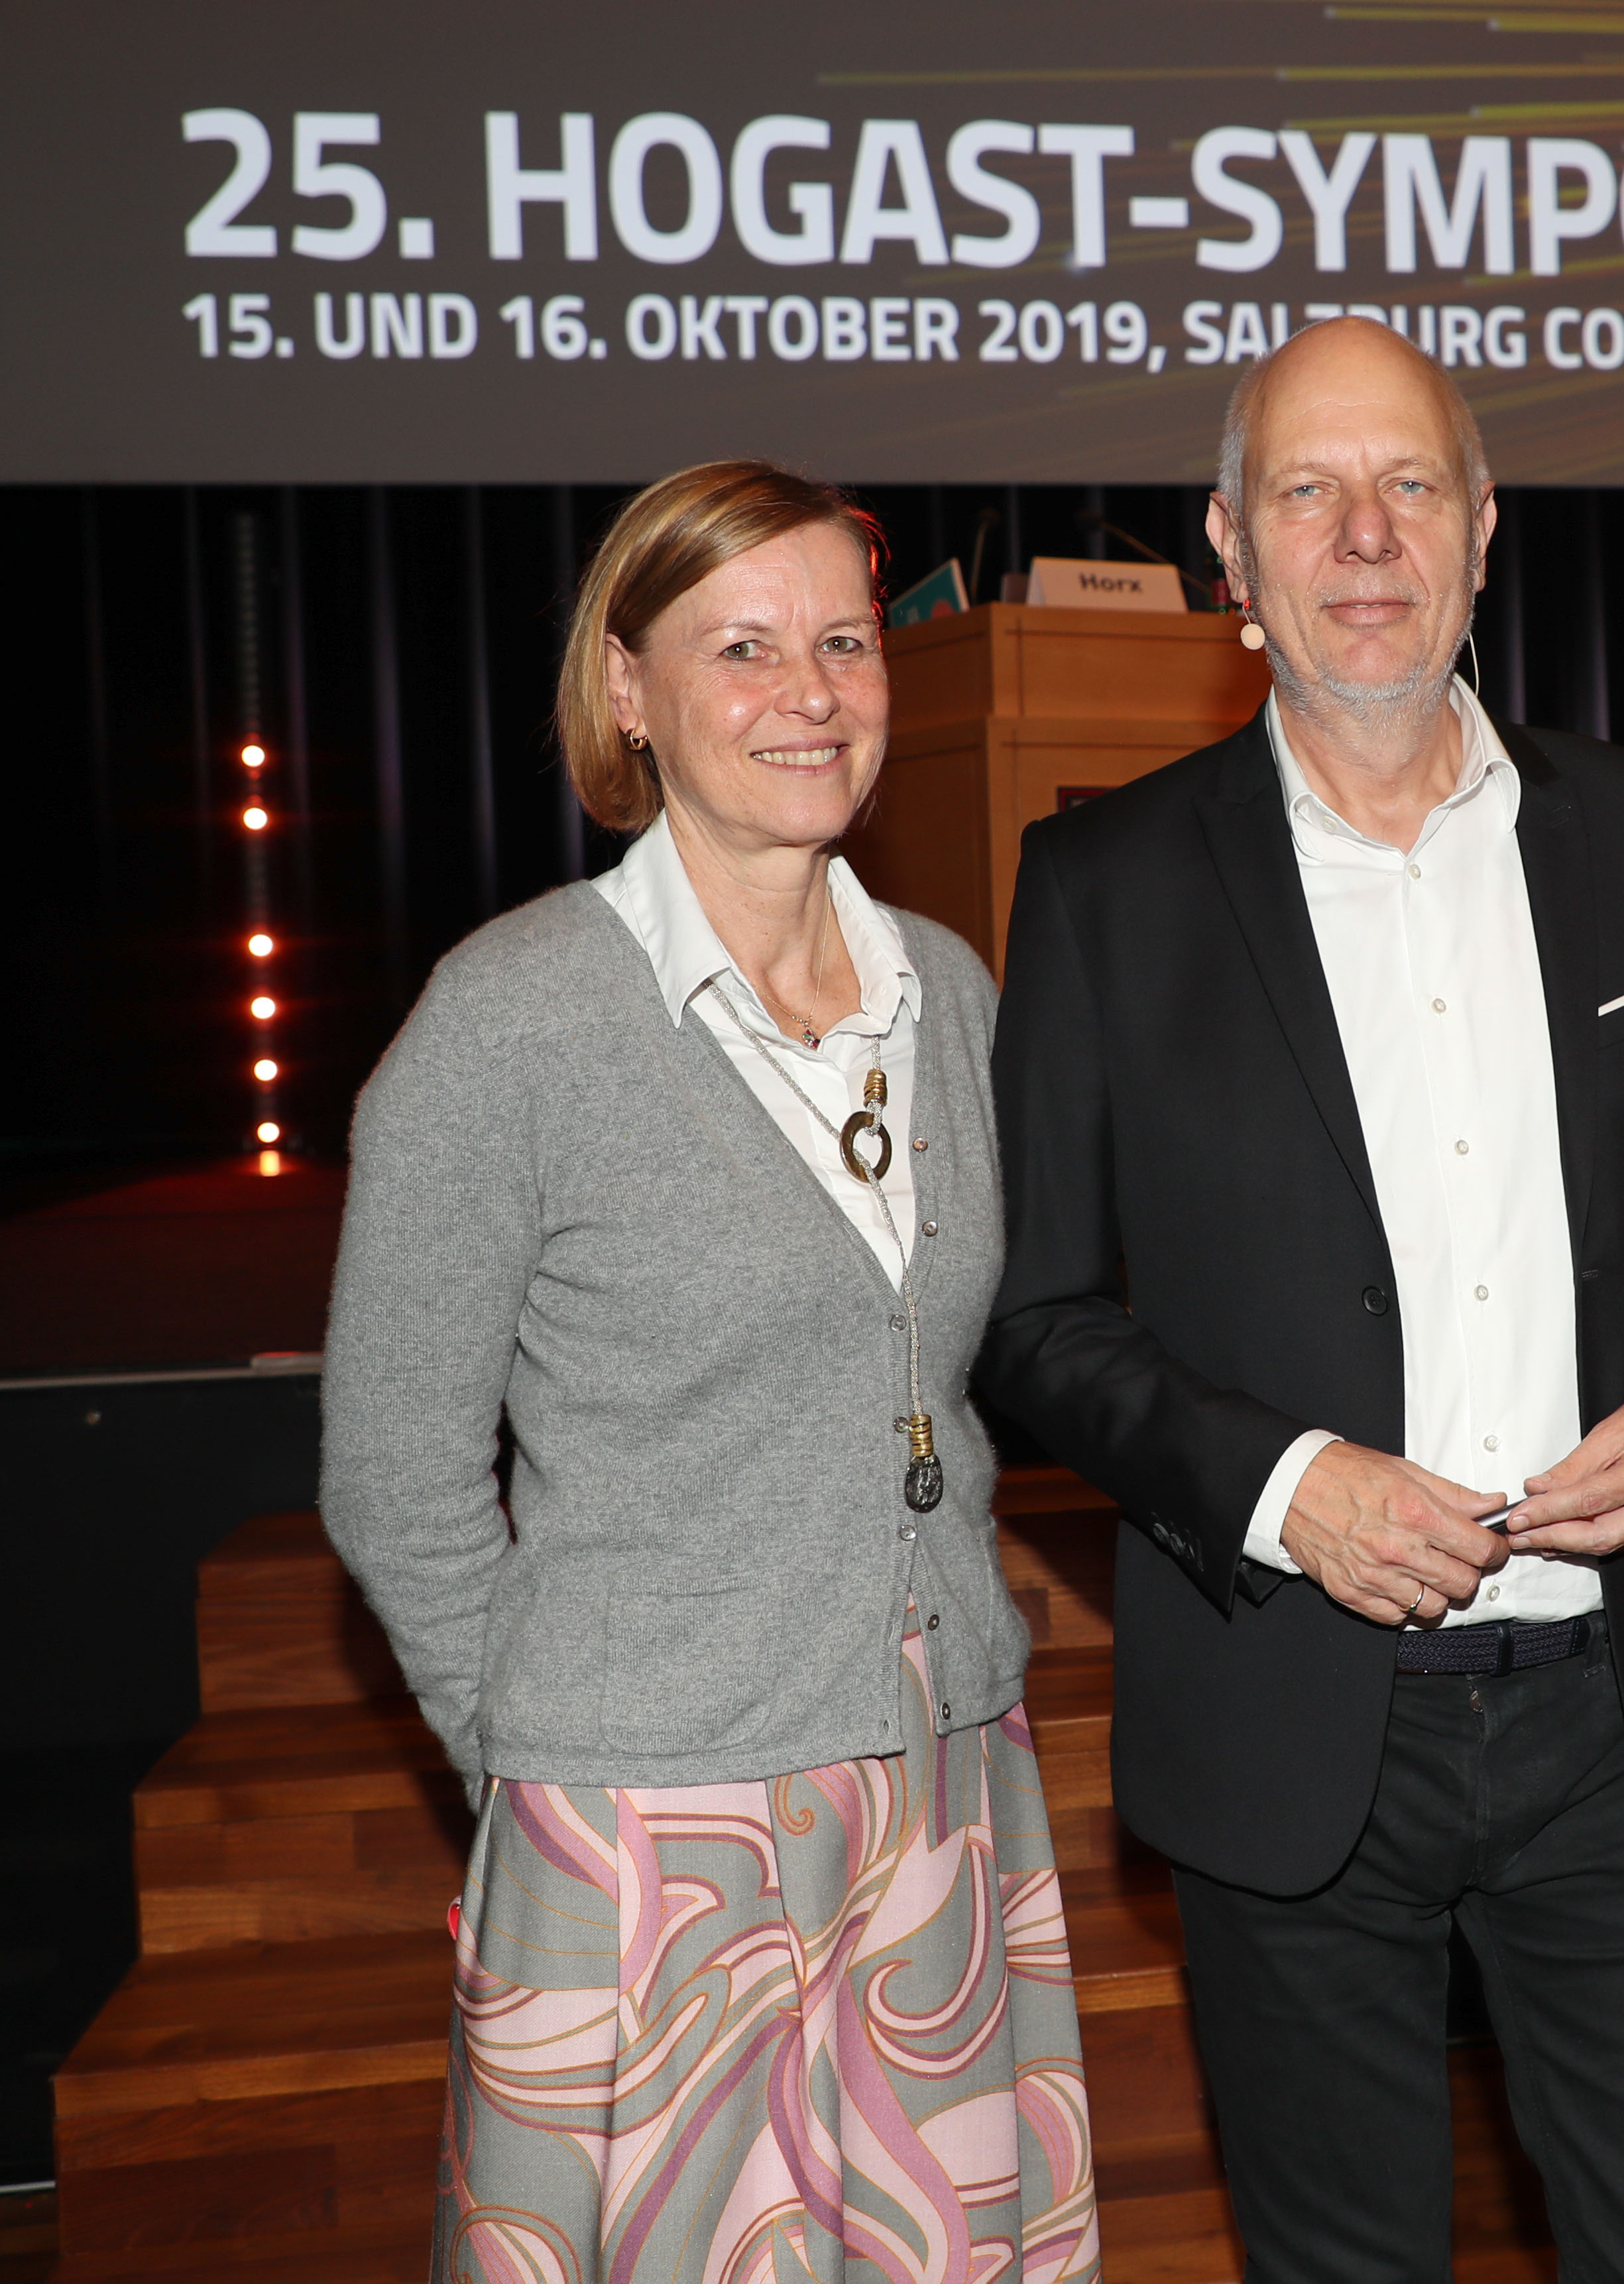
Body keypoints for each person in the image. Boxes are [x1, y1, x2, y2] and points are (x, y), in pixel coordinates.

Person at [980, 317, 1624, 2284]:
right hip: (1293, 1719)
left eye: (1409, 484)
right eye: (1308, 491)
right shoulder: (1103, 883)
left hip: (1620, 1719)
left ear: (1483, 525)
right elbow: (1037, 1318)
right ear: (1230, 546)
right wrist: (1289, 1489)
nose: (1364, 536)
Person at [321, 461, 1093, 2284]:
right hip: (646, 1830)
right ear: (628, 688)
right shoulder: (509, 1018)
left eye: (844, 642)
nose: (809, 692)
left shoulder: (949, 992)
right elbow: (393, 1472)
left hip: (941, 1782)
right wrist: (547, 1769)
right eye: (742, 648)